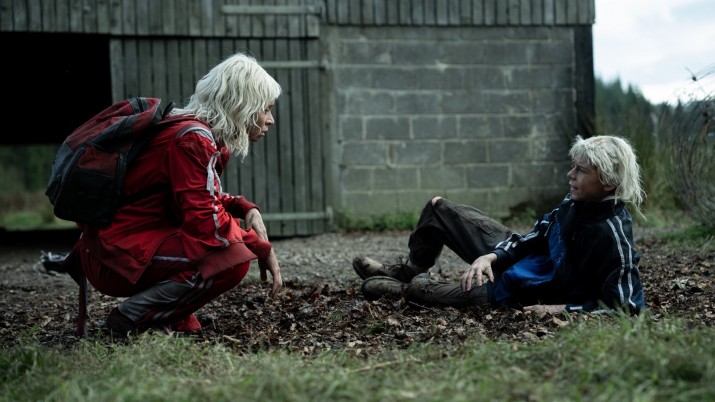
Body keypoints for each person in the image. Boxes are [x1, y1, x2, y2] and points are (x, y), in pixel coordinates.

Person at [63, 52, 283, 337]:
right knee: (232, 258)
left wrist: (245, 208)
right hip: (113, 257)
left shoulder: (197, 134)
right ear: (243, 105)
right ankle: (131, 318)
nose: (271, 120)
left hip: (113, 248)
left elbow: (200, 196)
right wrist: (261, 247)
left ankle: (164, 318)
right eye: (266, 109)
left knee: (228, 247)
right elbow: (206, 226)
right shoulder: (193, 140)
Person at [353, 135, 646, 315]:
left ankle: (404, 288)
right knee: (437, 209)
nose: (570, 175)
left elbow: (626, 307)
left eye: (581, 170)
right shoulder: (574, 202)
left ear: (608, 182)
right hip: (520, 258)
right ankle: (408, 270)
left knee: (420, 289)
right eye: (573, 166)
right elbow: (535, 235)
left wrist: (558, 308)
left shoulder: (612, 237)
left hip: (519, 289)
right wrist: (491, 256)